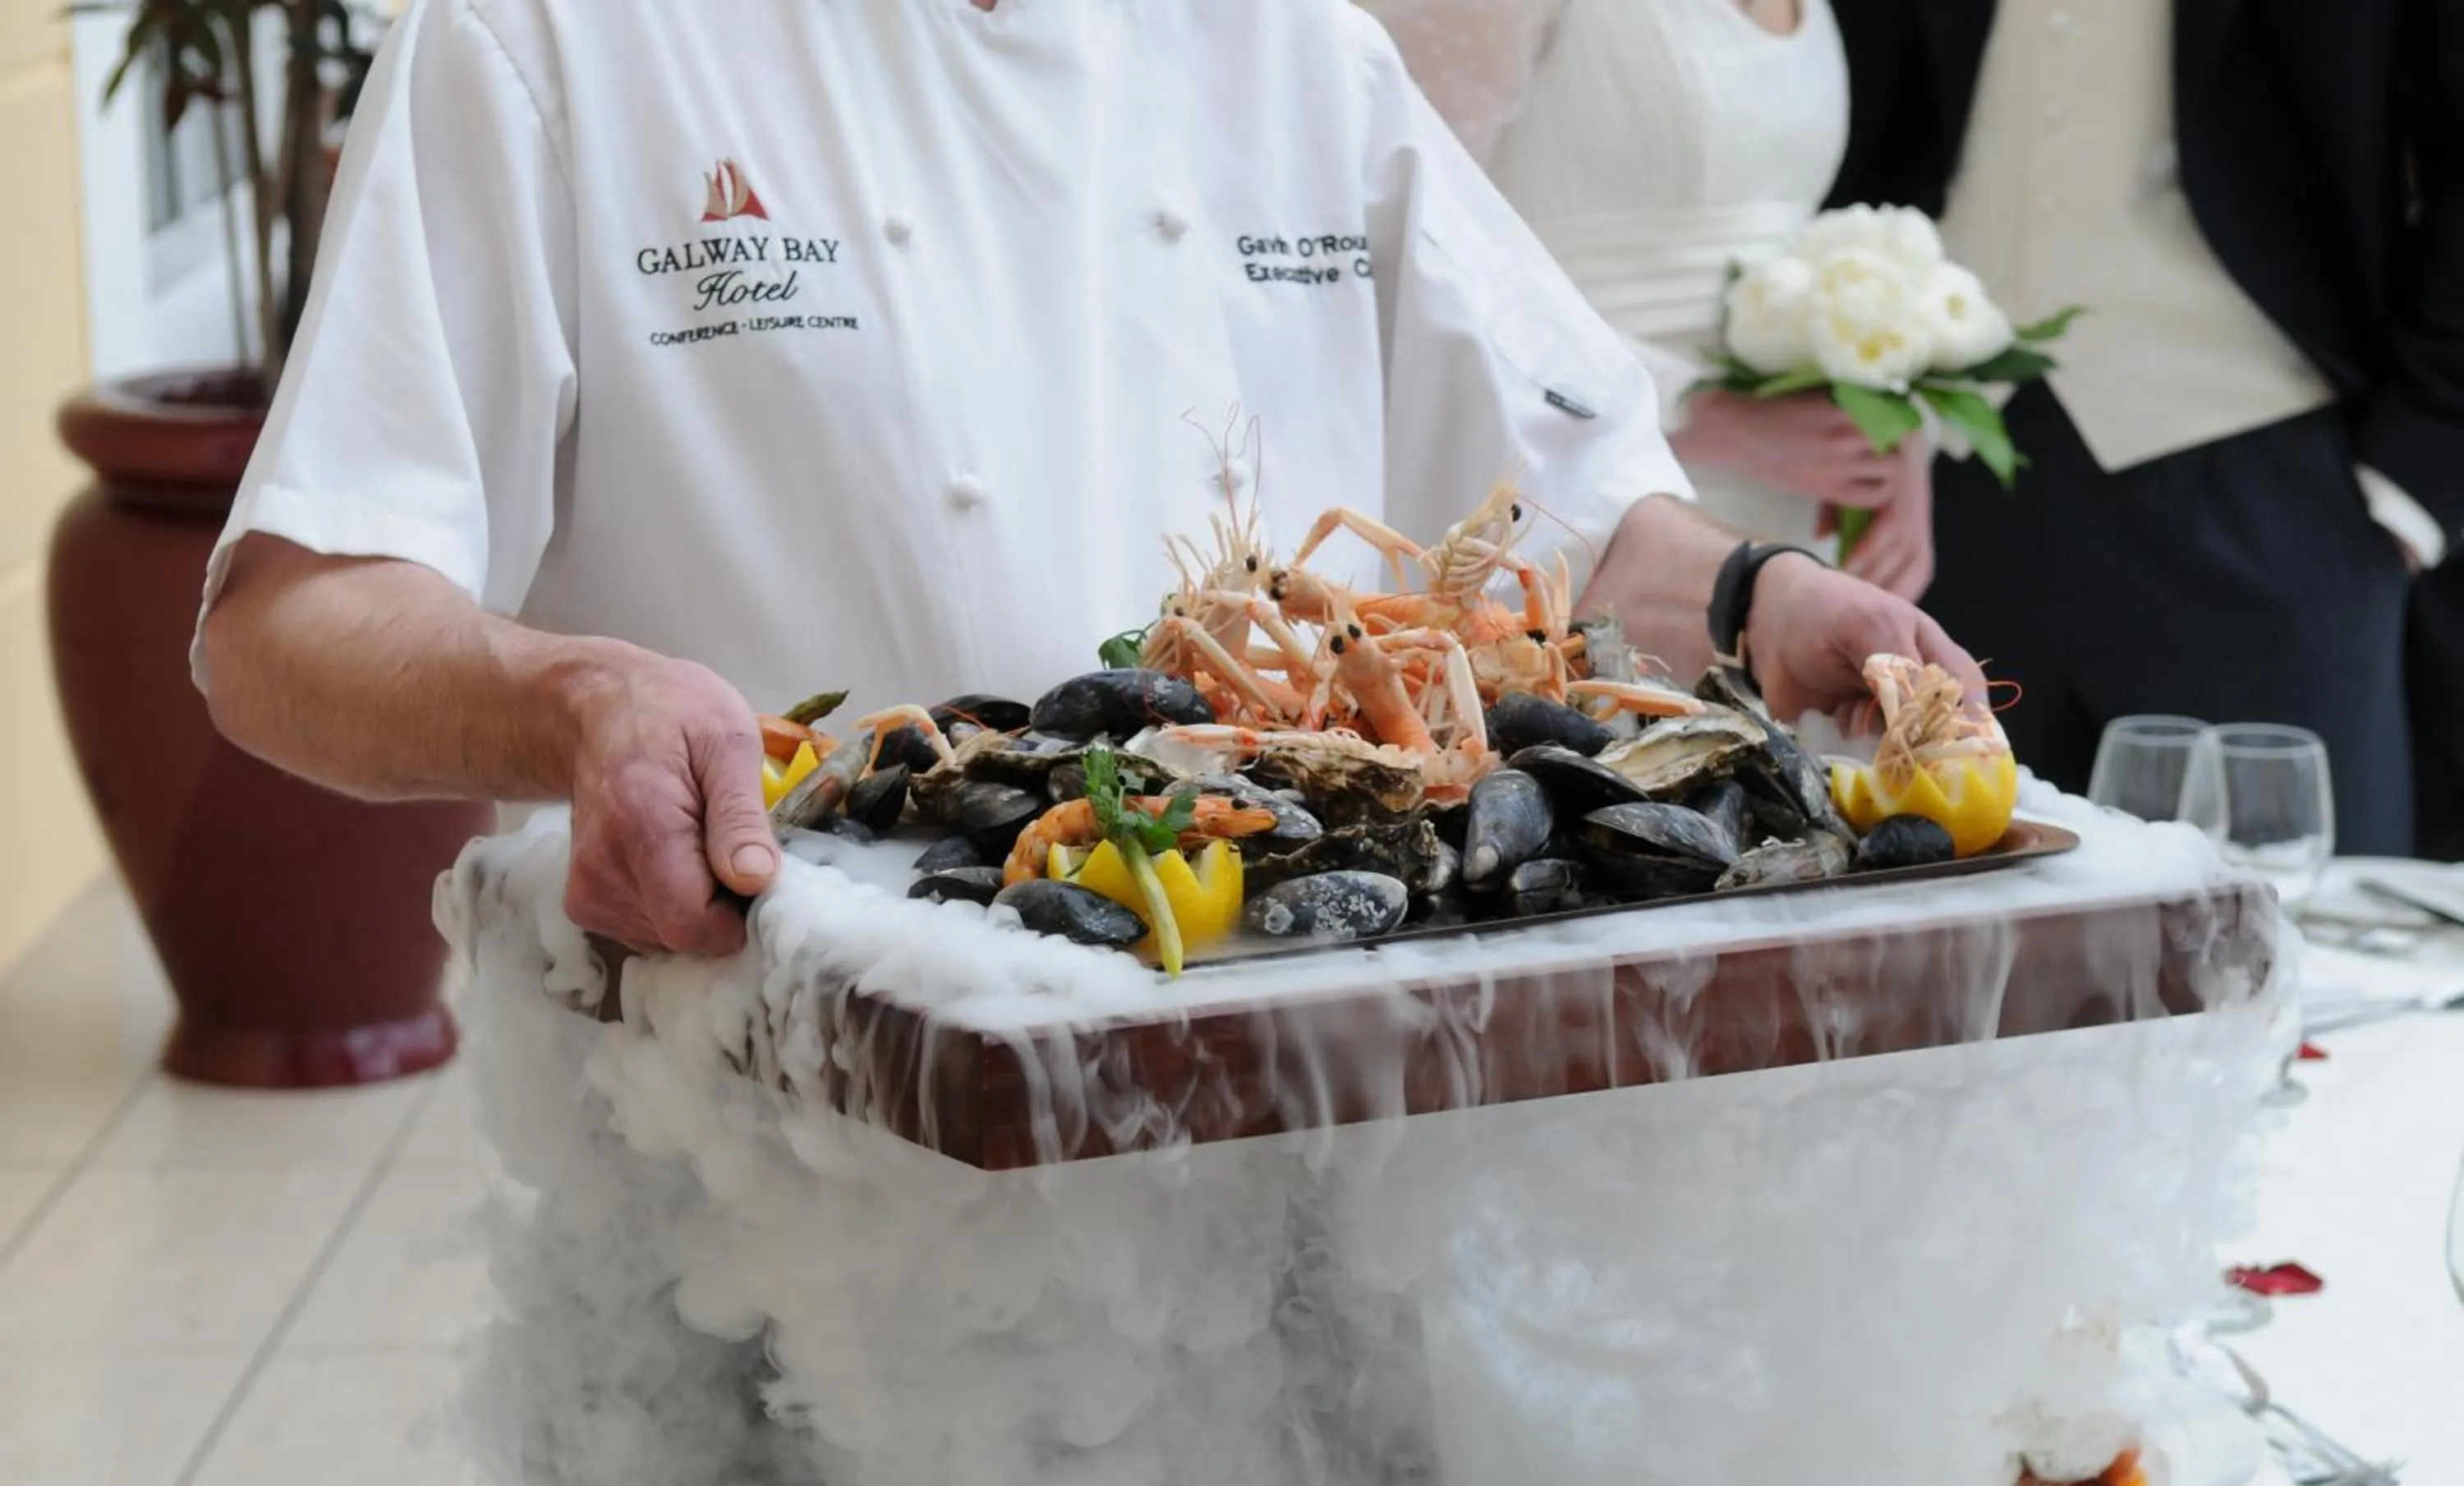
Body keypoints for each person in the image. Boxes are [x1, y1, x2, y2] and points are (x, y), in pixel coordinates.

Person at [196, 0, 1979, 963]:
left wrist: (1758, 603)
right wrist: (572, 701)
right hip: (776, 1111)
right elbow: (296, 621)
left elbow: (1561, 517)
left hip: (1289, 1093)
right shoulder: (554, 39)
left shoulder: (1291, 46)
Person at [1827, 1, 2464, 856]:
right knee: (1967, 940)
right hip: (1953, 487)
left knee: (2290, 943)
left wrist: (2413, 483)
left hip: (2270, 490)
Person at [1358, 0, 1937, 602]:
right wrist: (1696, 415)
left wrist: (1884, 431)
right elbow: (1402, 248)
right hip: (1575, 499)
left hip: (1792, 515)